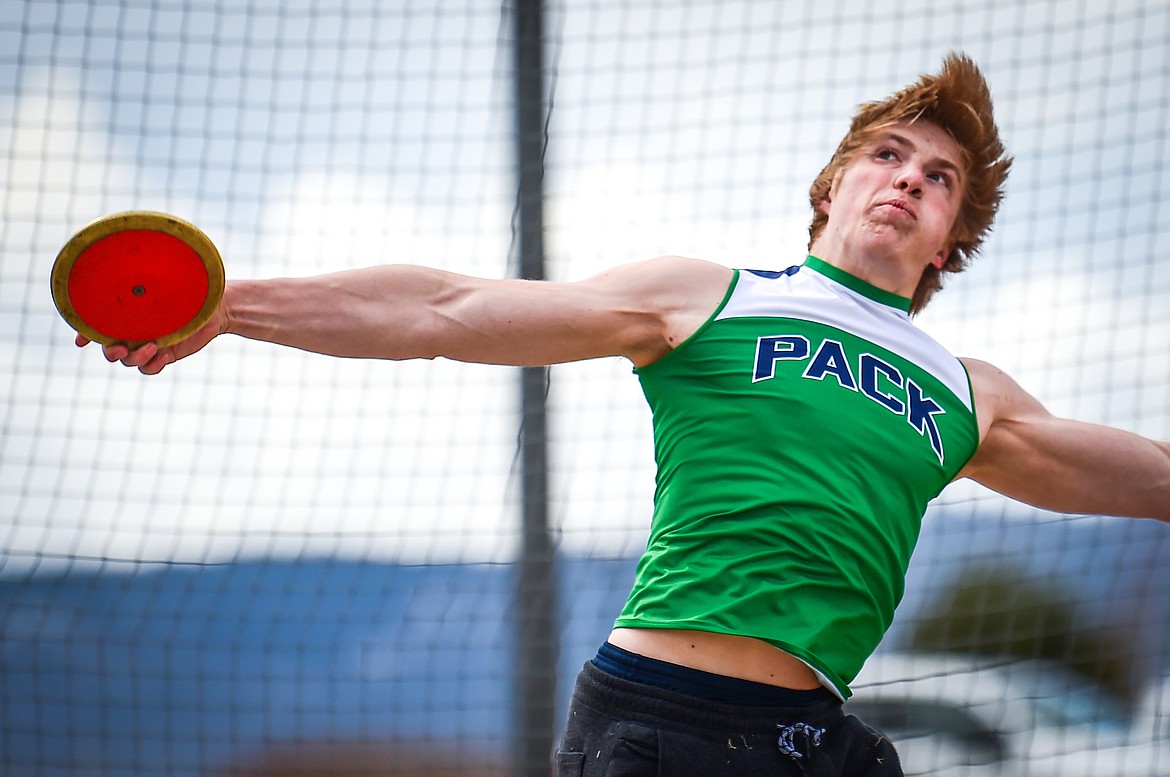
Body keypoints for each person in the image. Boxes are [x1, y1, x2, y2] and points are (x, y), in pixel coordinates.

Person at [77, 53, 1170, 776]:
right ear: (832, 184)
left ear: (949, 242)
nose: (906, 178)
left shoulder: (969, 394)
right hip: (664, 722)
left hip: (816, 741)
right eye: (886, 154)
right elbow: (447, 307)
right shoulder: (710, 295)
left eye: (937, 179)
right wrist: (230, 306)